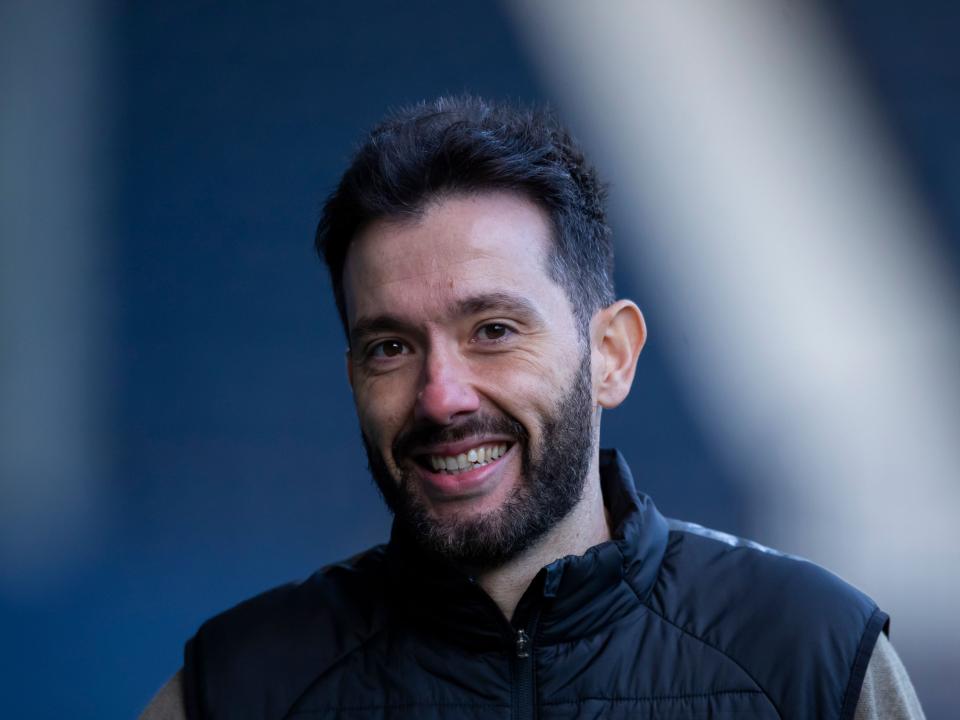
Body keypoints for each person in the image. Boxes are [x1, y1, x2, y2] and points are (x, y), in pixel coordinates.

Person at [141, 96, 925, 720]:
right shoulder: (240, 689)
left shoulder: (810, 656)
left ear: (611, 354)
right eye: (391, 347)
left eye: (493, 331)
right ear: (353, 378)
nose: (442, 397)